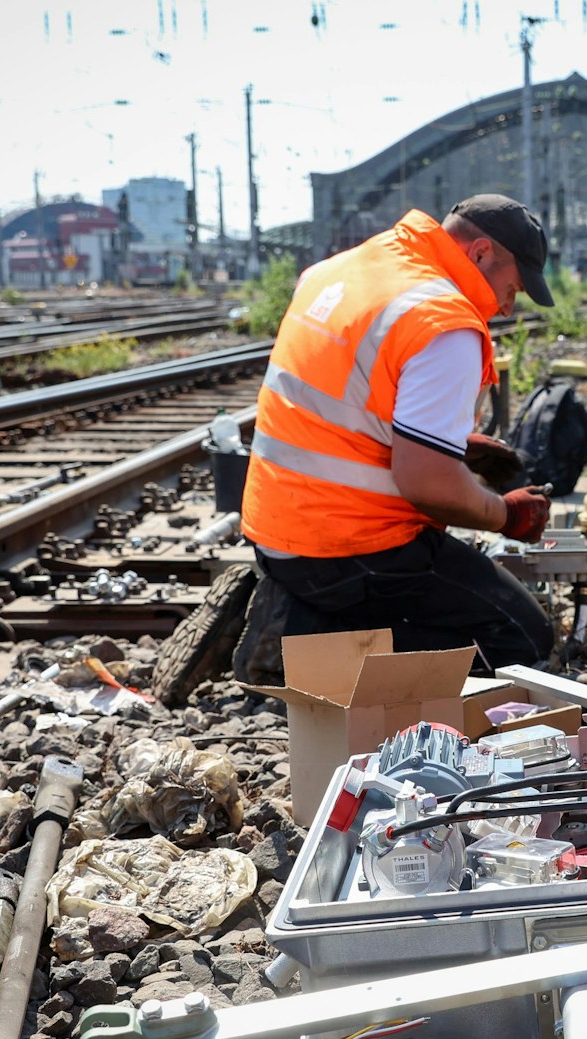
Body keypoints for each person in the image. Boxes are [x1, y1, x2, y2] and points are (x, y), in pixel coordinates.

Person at [229, 195, 558, 684]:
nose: (507, 307)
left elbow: (350, 405)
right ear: (481, 253)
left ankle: (303, 612)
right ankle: (302, 642)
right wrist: (506, 515)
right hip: (348, 549)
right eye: (513, 288)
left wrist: (453, 445)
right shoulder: (443, 322)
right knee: (521, 641)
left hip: (273, 532)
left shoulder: (343, 269)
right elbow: (428, 485)